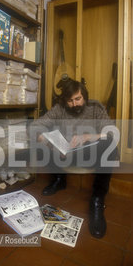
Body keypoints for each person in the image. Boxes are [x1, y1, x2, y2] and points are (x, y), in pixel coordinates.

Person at [30, 78, 119, 239]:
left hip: (89, 154)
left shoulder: (95, 107)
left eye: (78, 99)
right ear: (65, 101)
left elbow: (112, 131)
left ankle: (98, 198)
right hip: (65, 154)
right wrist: (44, 137)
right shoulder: (59, 108)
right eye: (70, 101)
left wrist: (91, 136)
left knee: (110, 144)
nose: (75, 104)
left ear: (84, 96)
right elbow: (36, 125)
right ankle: (59, 180)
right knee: (40, 138)